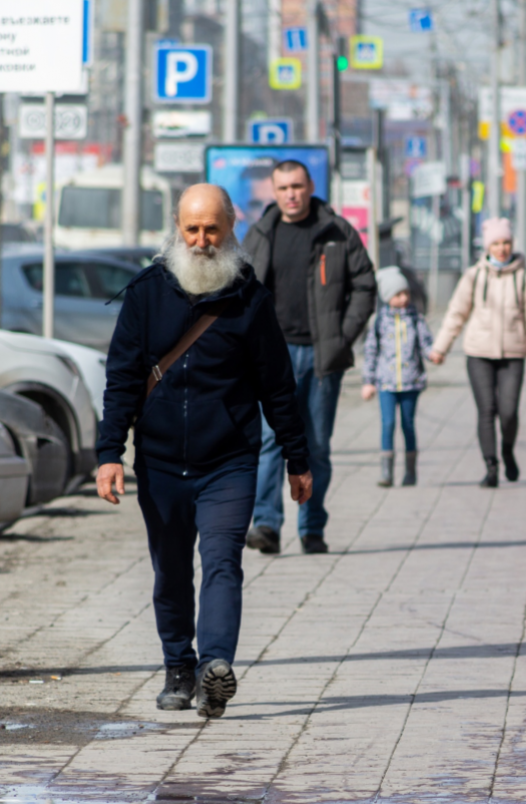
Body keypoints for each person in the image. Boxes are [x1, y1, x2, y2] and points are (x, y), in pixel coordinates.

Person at [95, 184, 312, 718]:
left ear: (230, 228)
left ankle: (216, 666)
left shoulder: (250, 302)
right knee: (170, 570)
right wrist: (107, 454)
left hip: (229, 461)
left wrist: (297, 459)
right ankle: (178, 667)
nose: (200, 241)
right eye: (191, 229)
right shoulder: (146, 293)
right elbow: (121, 379)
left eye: (211, 229)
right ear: (177, 227)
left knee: (221, 562)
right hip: (162, 462)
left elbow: (278, 387)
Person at [242, 160, 377, 556]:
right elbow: (239, 290)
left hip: (321, 358)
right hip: (271, 358)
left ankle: (311, 526)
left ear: (310, 186)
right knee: (269, 441)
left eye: (298, 186)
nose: (291, 194)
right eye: (283, 188)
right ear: (273, 190)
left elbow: (365, 285)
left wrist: (341, 337)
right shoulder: (261, 233)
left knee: (316, 445)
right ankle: (266, 525)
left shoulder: (337, 231)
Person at [430, 217, 526, 487]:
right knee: (487, 410)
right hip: (479, 353)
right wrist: (441, 348)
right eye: (495, 243)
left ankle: (507, 450)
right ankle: (491, 466)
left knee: (508, 412)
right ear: (487, 246)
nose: (501, 248)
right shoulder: (474, 275)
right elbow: (456, 314)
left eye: (506, 242)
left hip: (513, 353)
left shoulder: (523, 276)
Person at [362, 267, 435, 488]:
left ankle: (410, 471)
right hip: (386, 383)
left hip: (410, 381)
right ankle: (386, 472)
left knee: (408, 424)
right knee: (388, 423)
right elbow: (371, 351)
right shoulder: (378, 321)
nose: (403, 298)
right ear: (387, 297)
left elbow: (425, 344)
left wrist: (434, 353)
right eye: (397, 294)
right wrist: (368, 381)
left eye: (406, 293)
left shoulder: (416, 319)